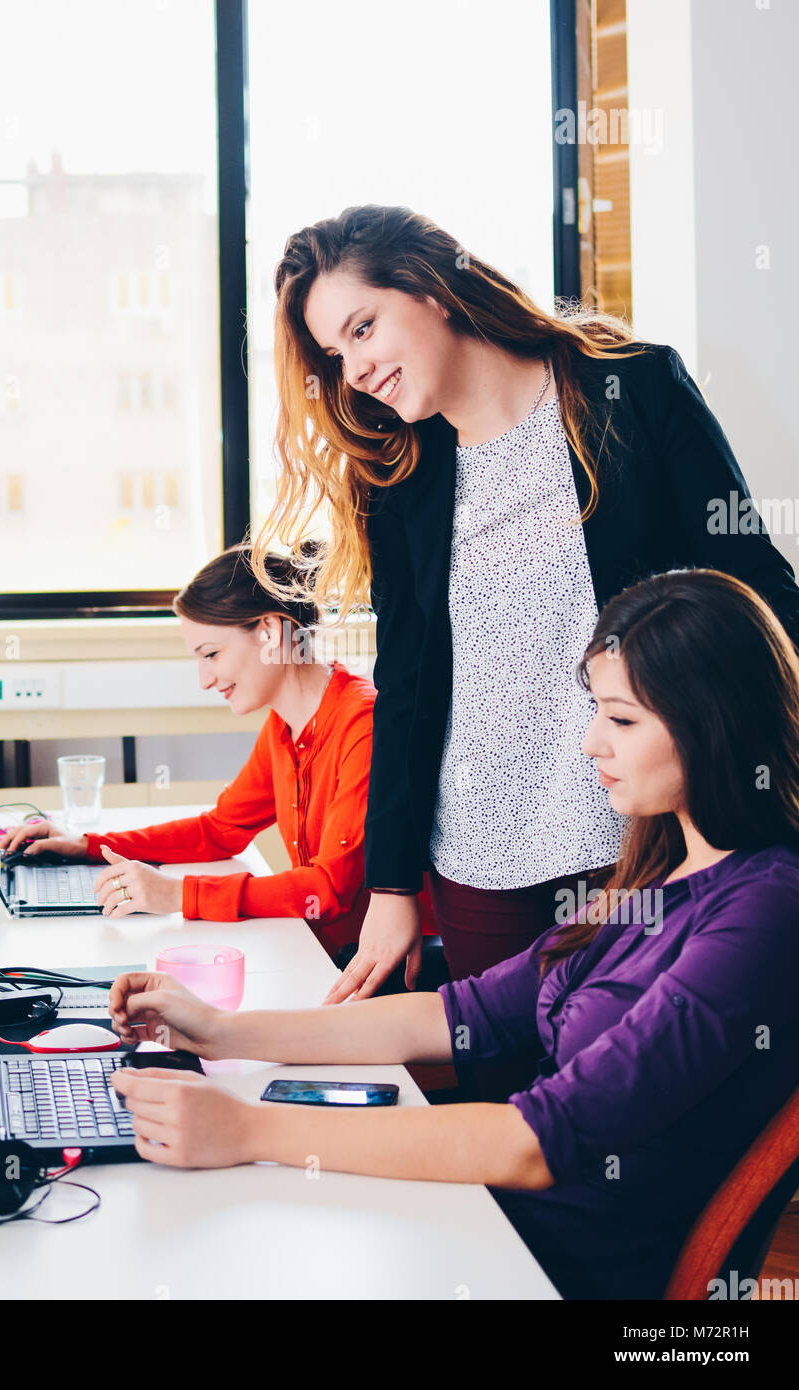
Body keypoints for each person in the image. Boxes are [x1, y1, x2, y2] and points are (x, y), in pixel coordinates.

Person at [108, 569, 799, 1301]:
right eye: (595, 711)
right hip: (492, 1218)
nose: (591, 741)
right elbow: (457, 1013)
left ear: (712, 721)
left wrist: (249, 1132)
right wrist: (219, 1031)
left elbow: (539, 1141)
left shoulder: (763, 909)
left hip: (545, 1262)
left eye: (621, 720)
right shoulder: (655, 872)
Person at [250, 204, 799, 1015]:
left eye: (362, 329)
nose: (354, 370)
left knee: (636, 1099)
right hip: (481, 855)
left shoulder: (629, 387)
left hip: (649, 837)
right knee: (500, 1095)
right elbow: (404, 684)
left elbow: (756, 587)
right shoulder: (395, 474)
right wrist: (392, 887)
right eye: (335, 355)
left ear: (430, 288)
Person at [0, 544, 439, 962]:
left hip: (378, 972)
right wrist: (89, 845)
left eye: (211, 654)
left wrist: (176, 894)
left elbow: (328, 889)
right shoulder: (285, 724)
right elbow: (220, 829)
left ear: (270, 631)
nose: (205, 679)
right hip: (317, 953)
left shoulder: (363, 723)